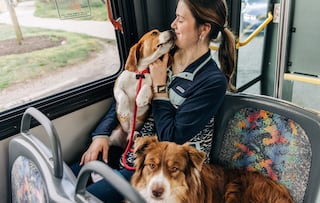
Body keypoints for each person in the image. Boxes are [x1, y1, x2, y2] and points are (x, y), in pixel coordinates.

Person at [71, 0, 236, 202]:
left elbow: (172, 137)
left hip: (169, 168)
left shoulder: (211, 82)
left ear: (204, 29)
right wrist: (102, 134)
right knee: (67, 175)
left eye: (181, 19)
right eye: (175, 17)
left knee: (79, 198)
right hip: (135, 152)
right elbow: (128, 92)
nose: (173, 24)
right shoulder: (164, 53)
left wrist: (159, 89)